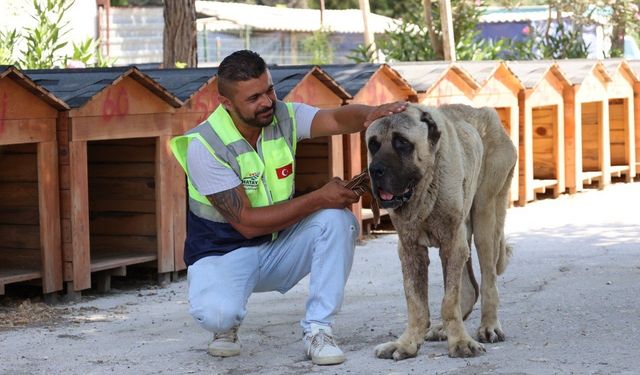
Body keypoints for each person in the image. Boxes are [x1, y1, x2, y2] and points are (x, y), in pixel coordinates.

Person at [170, 50, 407, 366]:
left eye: (269, 89)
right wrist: (318, 198)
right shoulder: (205, 146)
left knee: (338, 221)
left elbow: (336, 118)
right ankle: (226, 326)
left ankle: (318, 330)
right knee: (217, 315)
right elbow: (247, 223)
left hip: (278, 249)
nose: (268, 102)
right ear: (227, 103)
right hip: (223, 254)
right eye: (254, 98)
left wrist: (370, 115)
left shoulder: (284, 116)